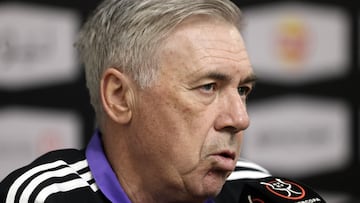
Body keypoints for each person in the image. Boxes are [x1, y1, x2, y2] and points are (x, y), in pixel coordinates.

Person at [0, 0, 327, 202]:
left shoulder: (254, 192)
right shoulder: (48, 197)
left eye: (243, 90)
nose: (240, 119)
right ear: (120, 97)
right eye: (209, 87)